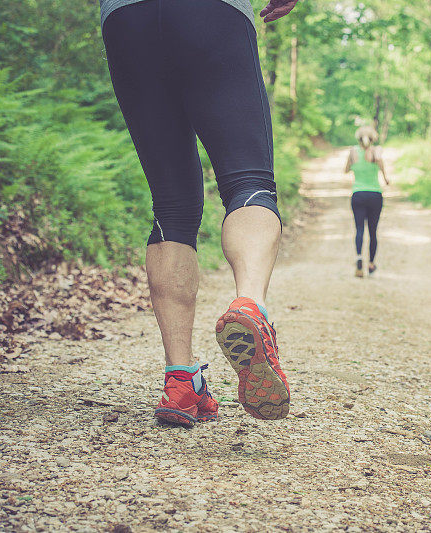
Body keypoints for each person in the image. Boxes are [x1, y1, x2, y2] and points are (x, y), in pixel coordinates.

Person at [99, 0, 299, 426]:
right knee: (250, 182)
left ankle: (181, 381)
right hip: (213, 14)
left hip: (126, 20)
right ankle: (251, 306)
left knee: (171, 205)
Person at [344, 126, 389, 277]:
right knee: (373, 231)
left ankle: (358, 258)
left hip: (358, 194)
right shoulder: (376, 152)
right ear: (373, 138)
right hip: (375, 195)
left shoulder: (353, 152)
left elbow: (345, 170)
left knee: (359, 229)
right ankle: (371, 264)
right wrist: (386, 179)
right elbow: (384, 173)